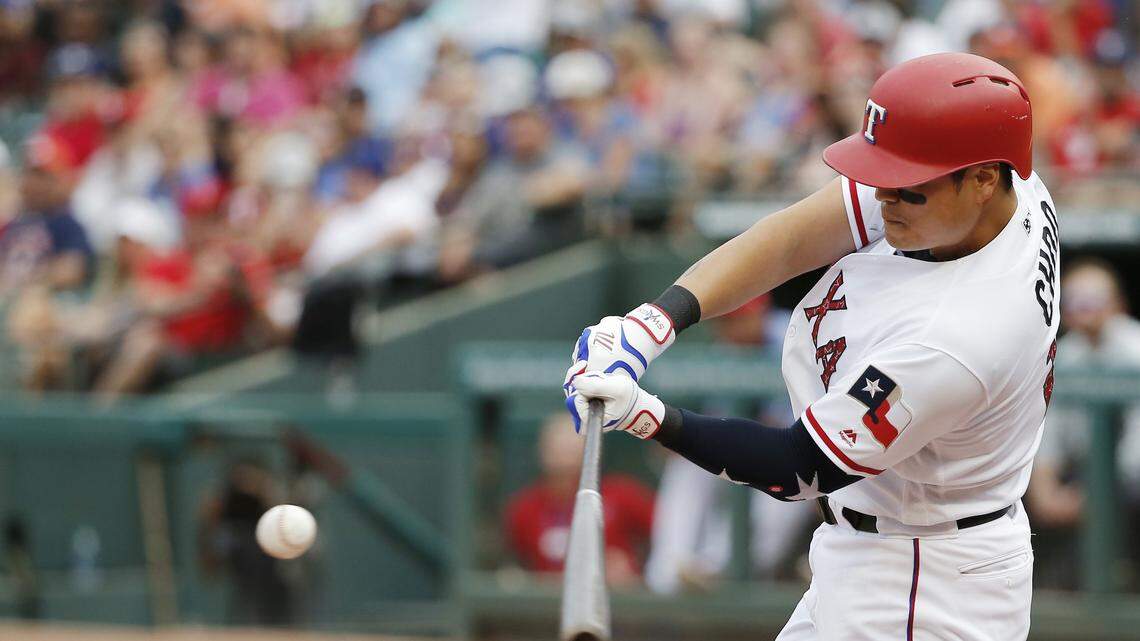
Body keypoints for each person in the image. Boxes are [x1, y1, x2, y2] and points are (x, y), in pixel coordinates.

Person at [564, 52, 1057, 640]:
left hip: (923, 584)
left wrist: (648, 416)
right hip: (886, 548)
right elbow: (789, 239)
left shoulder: (959, 338)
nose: (885, 198)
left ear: (981, 179)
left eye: (908, 187)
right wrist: (652, 324)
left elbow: (793, 467)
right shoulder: (1001, 189)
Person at [504, 413, 655, 586]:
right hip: (549, 605)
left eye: (572, 448)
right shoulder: (524, 507)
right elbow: (516, 566)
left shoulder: (622, 494)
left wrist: (636, 567)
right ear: (542, 451)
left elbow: (667, 535)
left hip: (614, 602)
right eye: (557, 449)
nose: (564, 459)